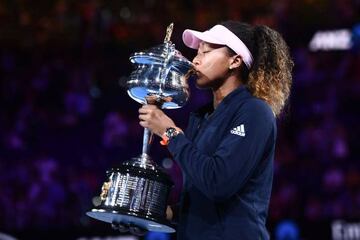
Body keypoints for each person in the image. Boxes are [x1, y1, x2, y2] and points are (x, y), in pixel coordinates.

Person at [138, 20, 293, 240]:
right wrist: (163, 213)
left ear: (235, 60)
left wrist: (170, 132)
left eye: (206, 52)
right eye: (197, 53)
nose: (195, 60)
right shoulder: (203, 117)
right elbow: (206, 200)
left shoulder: (254, 111)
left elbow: (218, 182)